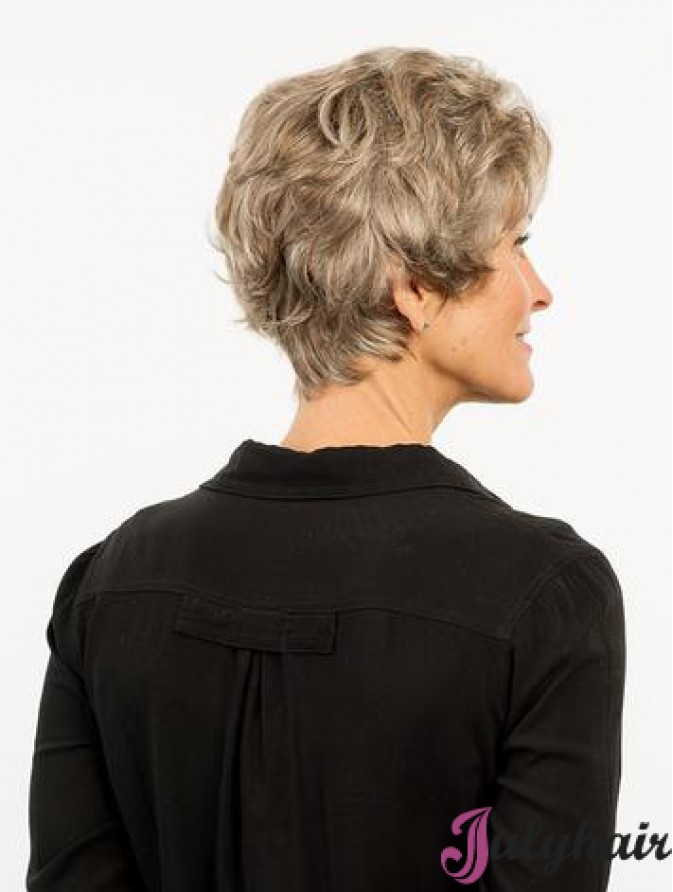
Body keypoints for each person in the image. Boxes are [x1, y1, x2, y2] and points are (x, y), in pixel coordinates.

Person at [26, 47, 626, 890]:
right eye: (515, 243)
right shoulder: (546, 596)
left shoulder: (111, 583)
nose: (538, 289)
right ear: (414, 285)